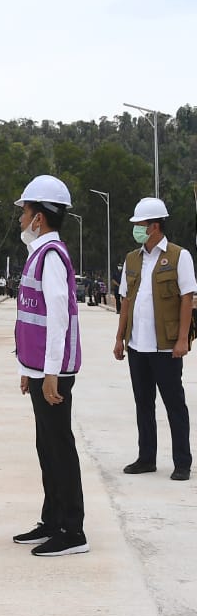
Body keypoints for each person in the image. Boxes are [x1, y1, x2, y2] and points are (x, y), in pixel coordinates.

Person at [10, 175, 88, 556]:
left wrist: (52, 374)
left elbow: (58, 319)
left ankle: (73, 531)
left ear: (39, 217)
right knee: (46, 446)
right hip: (40, 369)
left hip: (53, 375)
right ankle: (52, 519)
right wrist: (28, 368)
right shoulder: (38, 253)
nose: (21, 219)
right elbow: (32, 319)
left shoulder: (52, 256)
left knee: (60, 446)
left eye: (25, 212)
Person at [114, 197, 195, 481]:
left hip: (166, 346)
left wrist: (183, 339)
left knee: (174, 405)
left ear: (155, 226)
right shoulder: (132, 259)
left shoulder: (178, 256)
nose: (136, 229)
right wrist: (119, 338)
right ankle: (146, 457)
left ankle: (182, 462)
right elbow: (125, 301)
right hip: (138, 346)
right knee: (143, 404)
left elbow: (187, 299)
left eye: (140, 224)